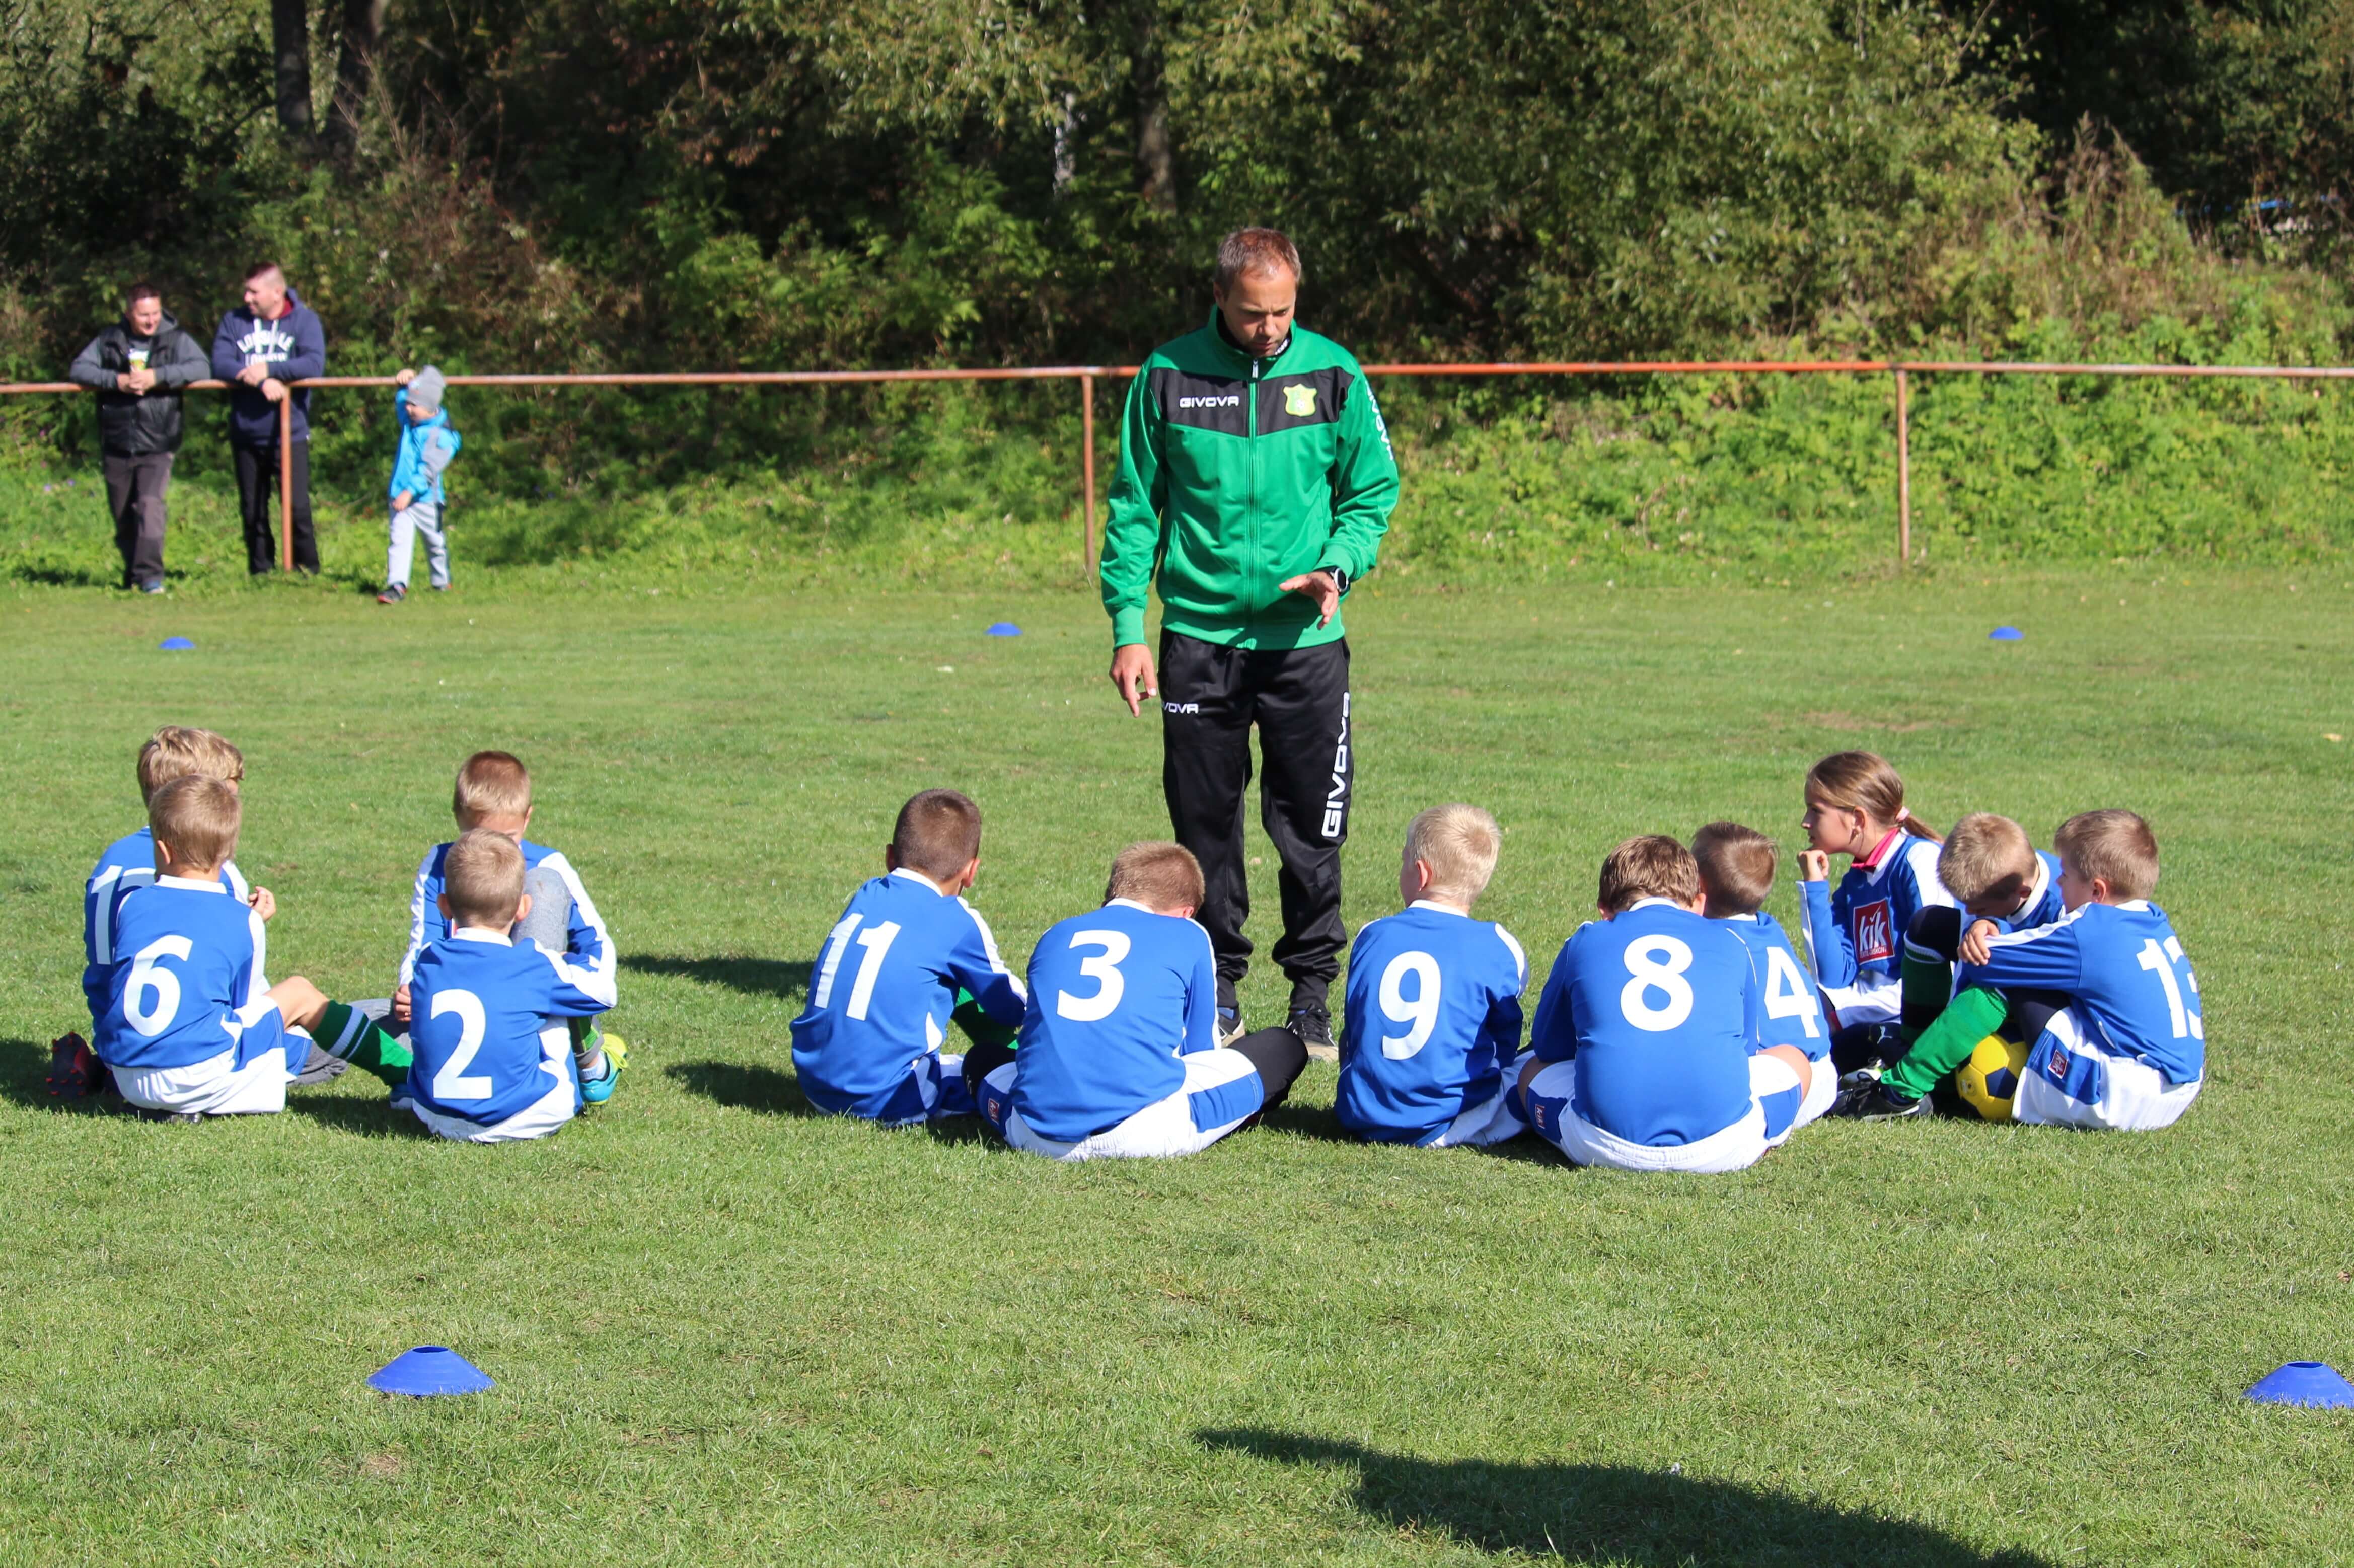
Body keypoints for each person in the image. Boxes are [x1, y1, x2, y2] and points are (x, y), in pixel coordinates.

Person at [1099, 227, 1401, 1057]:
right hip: (1198, 639)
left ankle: (1311, 996)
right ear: (1219, 297)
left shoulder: (1335, 374)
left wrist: (1338, 565)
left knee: (1313, 827)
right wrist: (1129, 629)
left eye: (1283, 312)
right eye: (1252, 313)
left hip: (1306, 643)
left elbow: (1371, 493)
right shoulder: (1168, 375)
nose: (1269, 329)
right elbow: (1134, 508)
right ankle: (1217, 990)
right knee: (1205, 828)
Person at [1834, 810, 2203, 1129]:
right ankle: (1913, 1052)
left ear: (2097, 891)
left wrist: (1985, 933)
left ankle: (1900, 1092)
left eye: (2067, 875)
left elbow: (1987, 965)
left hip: (2119, 1092)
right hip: (2171, 1086)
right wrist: (1986, 925)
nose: (2059, 879)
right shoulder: (2151, 918)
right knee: (1935, 929)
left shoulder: (2087, 931)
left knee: (2003, 982)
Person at [51, 727, 345, 1099]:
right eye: (226, 798)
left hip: (120, 1039)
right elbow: (236, 994)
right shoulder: (211, 873)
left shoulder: (111, 859)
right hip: (188, 1051)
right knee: (340, 1029)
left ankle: (104, 1069)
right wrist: (250, 925)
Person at [972, 842, 1308, 1160]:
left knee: (981, 1057)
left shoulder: (1056, 934)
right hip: (1144, 1131)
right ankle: (1238, 1116)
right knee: (1283, 1046)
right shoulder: (1190, 933)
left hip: (1036, 1134)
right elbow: (1201, 1053)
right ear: (1187, 912)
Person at [87, 776, 395, 1119]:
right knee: (300, 994)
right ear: (228, 853)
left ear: (162, 850)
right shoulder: (243, 919)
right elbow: (244, 1008)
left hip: (128, 1076)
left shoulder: (132, 905)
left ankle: (177, 1106)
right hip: (195, 1075)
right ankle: (404, 1075)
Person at [1516, 836, 1811, 1174]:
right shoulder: (1731, 942)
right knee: (1795, 1059)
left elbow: (1549, 1048)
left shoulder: (1584, 940)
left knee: (1530, 1071)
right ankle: (1761, 1136)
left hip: (1603, 1144)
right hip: (1720, 1145)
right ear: (1698, 903)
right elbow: (1746, 1051)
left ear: (1604, 909)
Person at [394, 751, 624, 1101]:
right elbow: (424, 940)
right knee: (381, 1021)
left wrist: (568, 970)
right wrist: (411, 986)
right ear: (458, 819)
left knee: (543, 887)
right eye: (478, 836)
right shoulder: (441, 863)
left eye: (508, 836)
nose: (493, 850)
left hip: (530, 993)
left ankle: (587, 1057)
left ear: (527, 819)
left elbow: (597, 943)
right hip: (462, 991)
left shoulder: (548, 865)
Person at [788, 789, 1027, 1124]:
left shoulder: (867, 894)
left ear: (890, 857)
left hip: (814, 1084)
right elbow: (1012, 1008)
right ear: (971, 871)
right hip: (887, 1097)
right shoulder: (956, 919)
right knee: (995, 1068)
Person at [389, 830, 619, 1141]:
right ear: (523, 908)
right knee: (558, 1000)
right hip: (520, 1116)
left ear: (444, 906)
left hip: (434, 1115)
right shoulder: (531, 964)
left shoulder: (429, 960)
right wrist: (568, 961)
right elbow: (604, 994)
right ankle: (594, 1071)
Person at [1331, 804, 1530, 1147]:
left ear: (1421, 874)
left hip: (1361, 1113)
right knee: (1534, 1065)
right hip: (1449, 1118)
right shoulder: (1501, 946)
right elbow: (1504, 1035)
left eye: (1404, 860)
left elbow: (1356, 1029)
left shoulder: (1371, 934)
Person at [1793, 751, 1951, 1071]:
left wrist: (1843, 1017)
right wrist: (1815, 889)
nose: (1805, 822)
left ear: (1858, 819)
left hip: (1912, 1019)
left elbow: (1939, 980)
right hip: (1867, 1009)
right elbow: (1831, 976)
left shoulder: (1918, 861)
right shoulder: (1856, 881)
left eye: (1816, 810)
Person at [66, 284, 211, 592]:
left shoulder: (176, 339)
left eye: (155, 313)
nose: (151, 320)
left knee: (149, 506)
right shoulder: (109, 340)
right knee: (123, 516)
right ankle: (133, 575)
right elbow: (79, 369)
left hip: (159, 440)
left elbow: (201, 367)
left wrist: (158, 377)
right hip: (117, 440)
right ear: (129, 313)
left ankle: (151, 577)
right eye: (144, 315)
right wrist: (116, 381)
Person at [1693, 822, 1833, 1138]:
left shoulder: (1716, 943)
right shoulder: (1767, 926)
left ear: (1698, 884)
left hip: (1785, 1080)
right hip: (1824, 1072)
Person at [1896, 812, 2065, 1056]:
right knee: (1926, 925)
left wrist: (1998, 932)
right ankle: (1912, 1042)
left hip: (2052, 1000)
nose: (1969, 912)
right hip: (2010, 961)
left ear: (2023, 893)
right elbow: (1964, 975)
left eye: (1980, 909)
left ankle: (1931, 1065)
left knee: (1988, 975)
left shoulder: (2063, 907)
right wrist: (1986, 920)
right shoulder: (2008, 869)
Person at [210, 262, 326, 575]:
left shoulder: (304, 321)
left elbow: (313, 364)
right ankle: (261, 571)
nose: (247, 298)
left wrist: (271, 370)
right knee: (253, 509)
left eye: (253, 292)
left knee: (297, 506)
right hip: (246, 432)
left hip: (289, 431)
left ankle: (307, 570)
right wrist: (259, 380)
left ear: (277, 293)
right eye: (246, 292)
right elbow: (220, 363)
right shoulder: (234, 321)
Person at [378, 365, 462, 603]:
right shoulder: (411, 421)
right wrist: (404, 383)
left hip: (426, 501)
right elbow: (403, 401)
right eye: (408, 403)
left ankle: (441, 582)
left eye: (413, 405)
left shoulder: (442, 437)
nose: (408, 408)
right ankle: (397, 585)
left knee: (435, 544)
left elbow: (428, 471)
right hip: (400, 498)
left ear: (430, 406)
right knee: (399, 542)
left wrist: (410, 492)